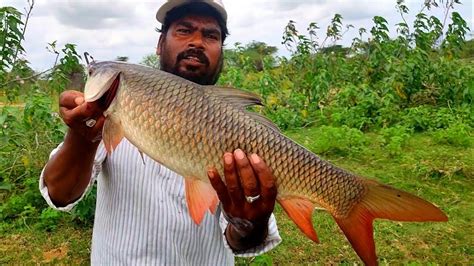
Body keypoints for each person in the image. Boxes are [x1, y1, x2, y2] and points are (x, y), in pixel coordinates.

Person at [40, 0, 281, 264]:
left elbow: (244, 241)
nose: (197, 42)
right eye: (183, 30)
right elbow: (59, 193)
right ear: (159, 44)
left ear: (221, 50)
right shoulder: (112, 109)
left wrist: (249, 223)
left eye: (211, 35)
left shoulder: (237, 127)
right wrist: (82, 137)